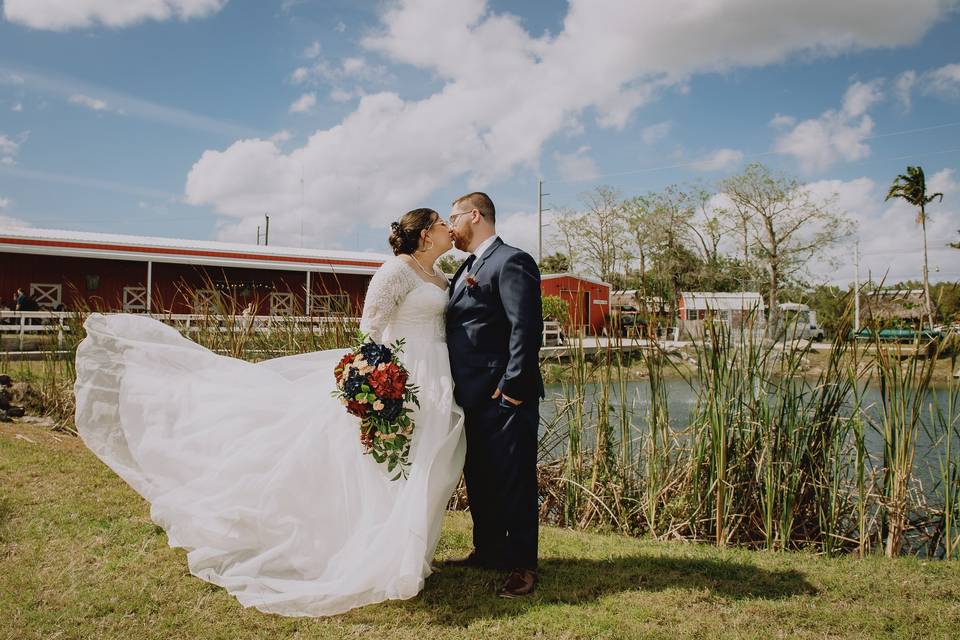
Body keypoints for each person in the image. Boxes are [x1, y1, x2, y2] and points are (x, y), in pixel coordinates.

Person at [73, 208, 465, 617]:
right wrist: (376, 382)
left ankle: (410, 552)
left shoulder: (440, 277)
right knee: (391, 467)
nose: (447, 229)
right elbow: (370, 329)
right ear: (424, 234)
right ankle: (386, 556)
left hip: (436, 377)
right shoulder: (396, 271)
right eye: (441, 223)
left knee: (430, 464)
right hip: (402, 379)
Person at [444, 192, 544, 598]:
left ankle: (522, 566)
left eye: (453, 217)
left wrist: (514, 388)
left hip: (504, 396)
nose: (449, 227)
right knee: (480, 476)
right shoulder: (466, 267)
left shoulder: (511, 261)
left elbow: (526, 326)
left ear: (475, 215)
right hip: (470, 396)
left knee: (514, 479)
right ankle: (487, 550)